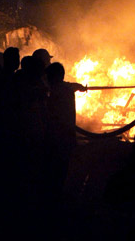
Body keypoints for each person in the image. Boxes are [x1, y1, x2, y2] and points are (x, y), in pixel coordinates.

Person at [45, 61, 88, 198]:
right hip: (65, 137)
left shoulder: (49, 90)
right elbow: (72, 86)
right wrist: (81, 87)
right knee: (62, 170)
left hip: (53, 138)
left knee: (52, 172)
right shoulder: (66, 88)